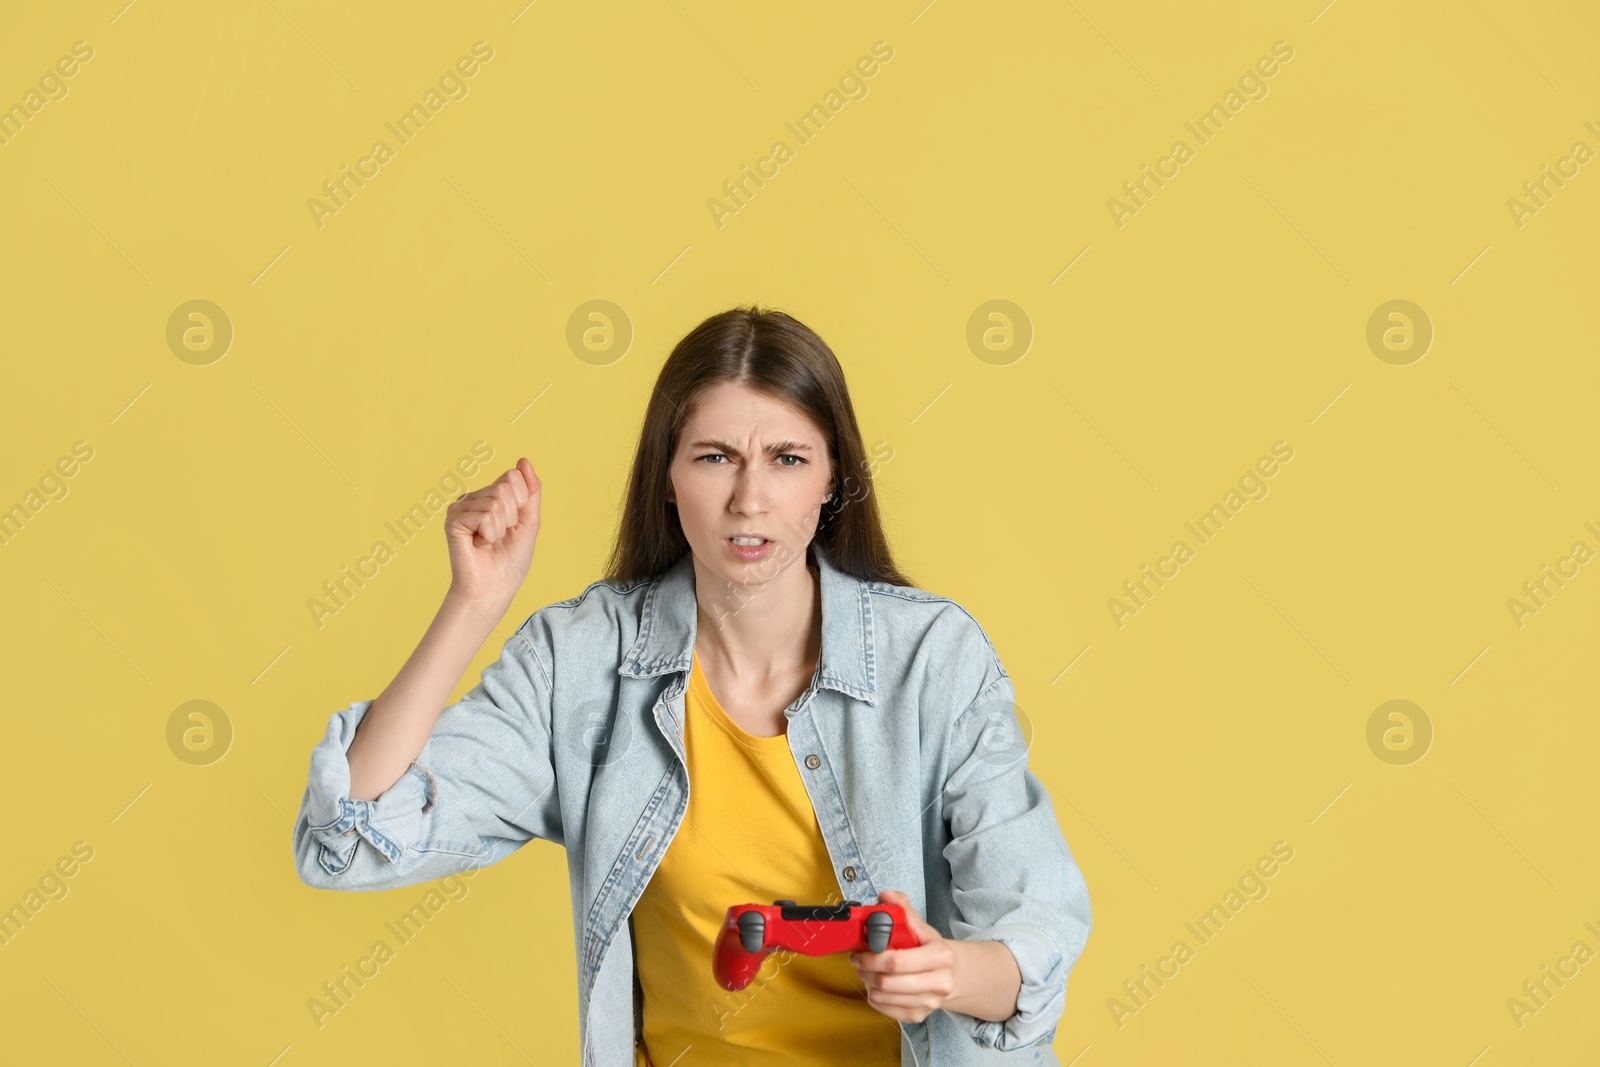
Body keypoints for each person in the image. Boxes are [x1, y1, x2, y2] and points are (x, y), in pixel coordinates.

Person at [291, 305, 1092, 1065]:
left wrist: (944, 969)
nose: (749, 499)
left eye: (787, 459)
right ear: (667, 476)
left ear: (831, 479)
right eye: (716, 457)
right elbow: (350, 837)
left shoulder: (933, 659)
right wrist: (472, 605)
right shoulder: (582, 662)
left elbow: (1035, 935)